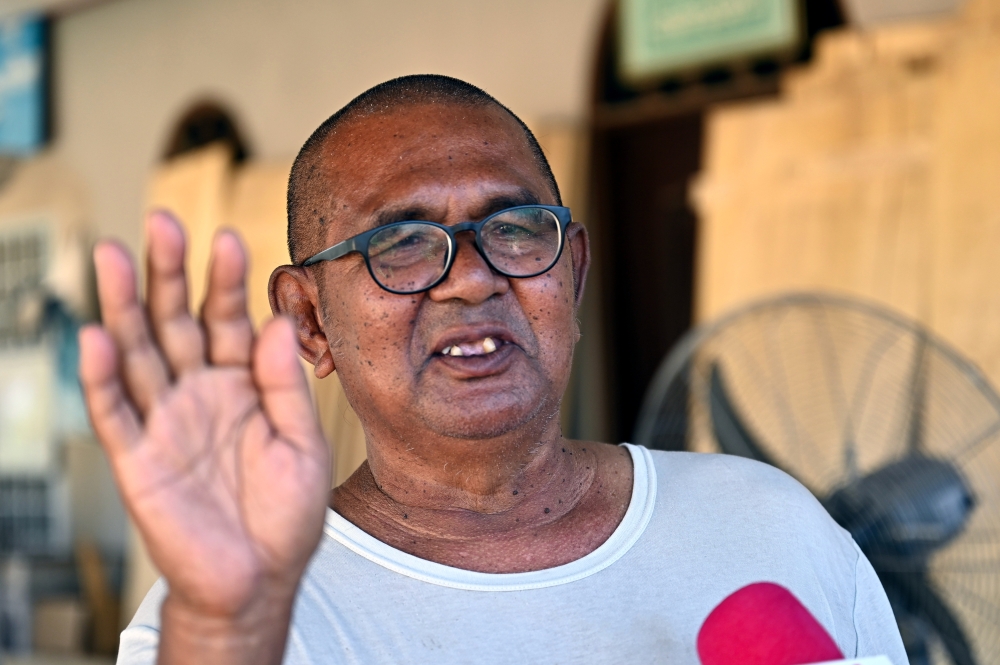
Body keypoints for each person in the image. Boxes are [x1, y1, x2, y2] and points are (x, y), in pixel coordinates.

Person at [80, 75, 907, 665]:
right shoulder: (239, 621)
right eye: (399, 243)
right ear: (308, 319)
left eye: (513, 227)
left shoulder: (768, 527)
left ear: (572, 274)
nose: (473, 276)